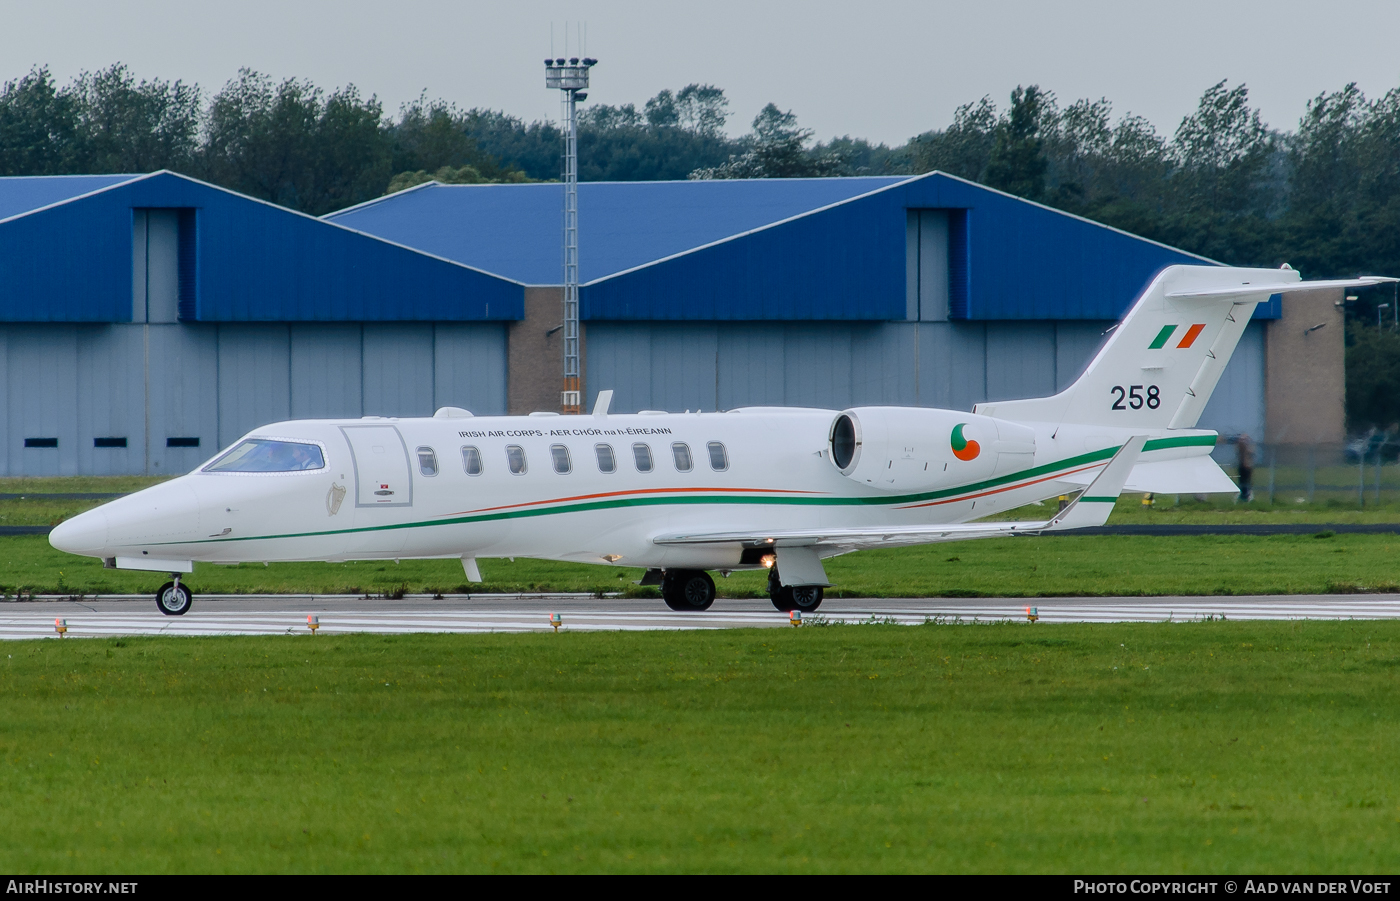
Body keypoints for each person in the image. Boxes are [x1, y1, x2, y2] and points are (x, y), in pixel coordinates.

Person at [1236, 433, 1255, 502]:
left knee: (1246, 482)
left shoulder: (1249, 448)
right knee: (1242, 482)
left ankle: (1247, 496)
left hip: (1247, 467)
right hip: (1242, 466)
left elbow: (1250, 455)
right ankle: (1243, 495)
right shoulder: (1241, 448)